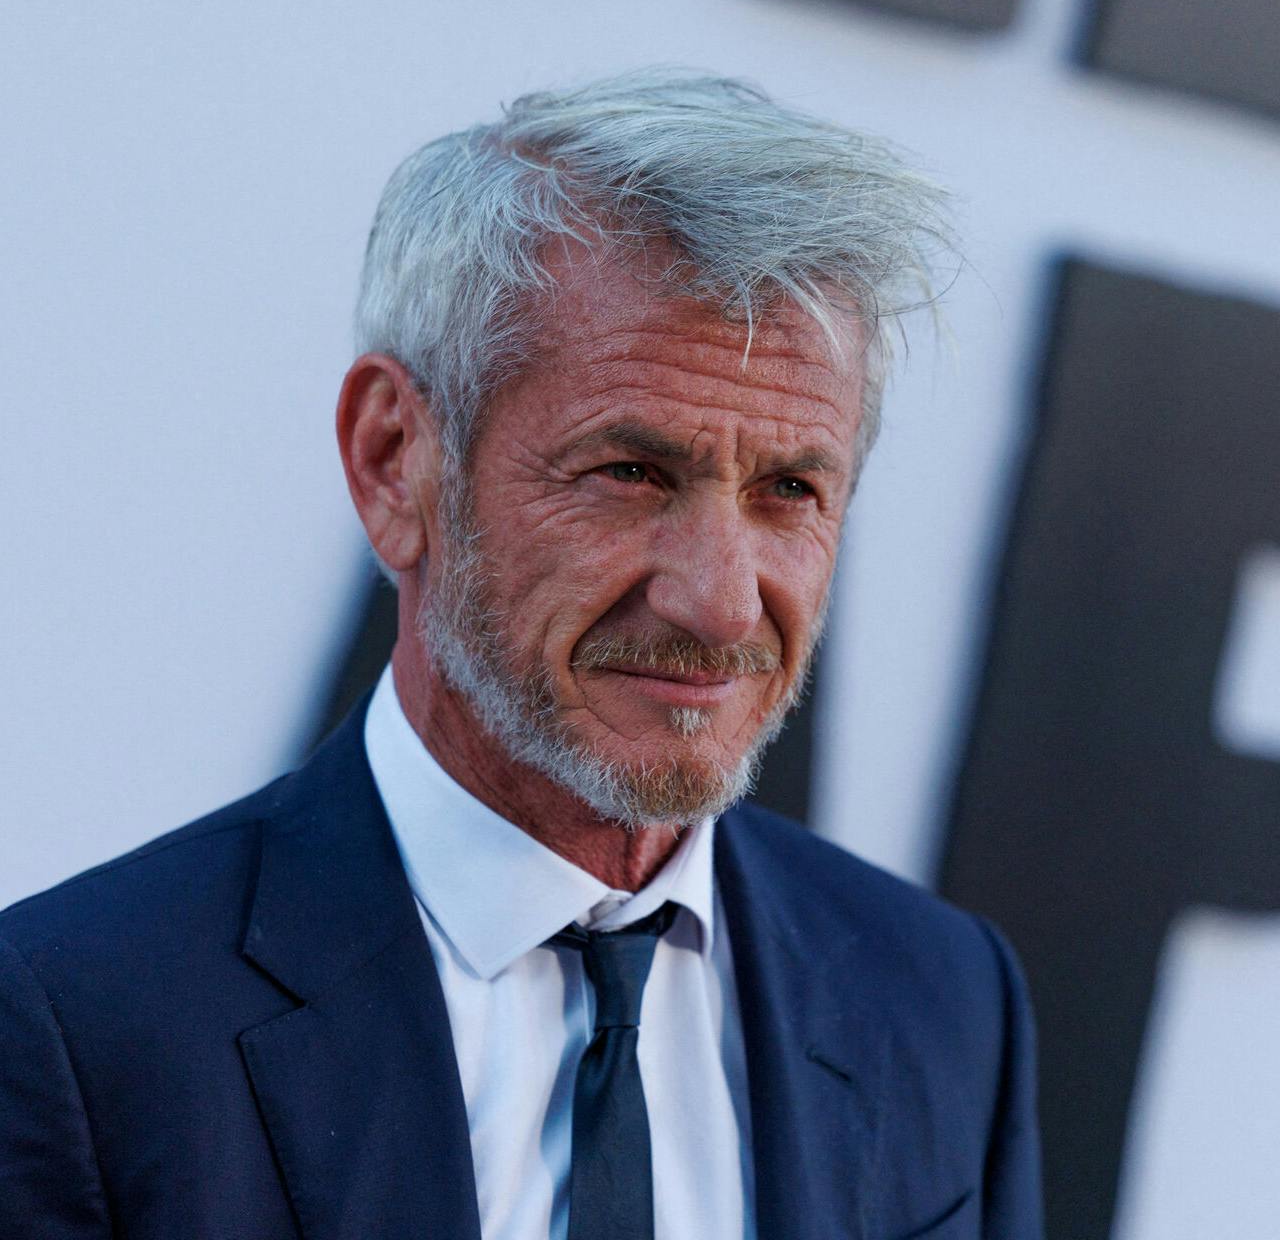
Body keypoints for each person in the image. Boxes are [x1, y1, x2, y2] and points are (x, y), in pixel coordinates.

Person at [0, 72, 1042, 1240]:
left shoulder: (943, 1000)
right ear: (397, 460)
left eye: (788, 489)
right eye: (630, 472)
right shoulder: (76, 1023)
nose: (716, 601)